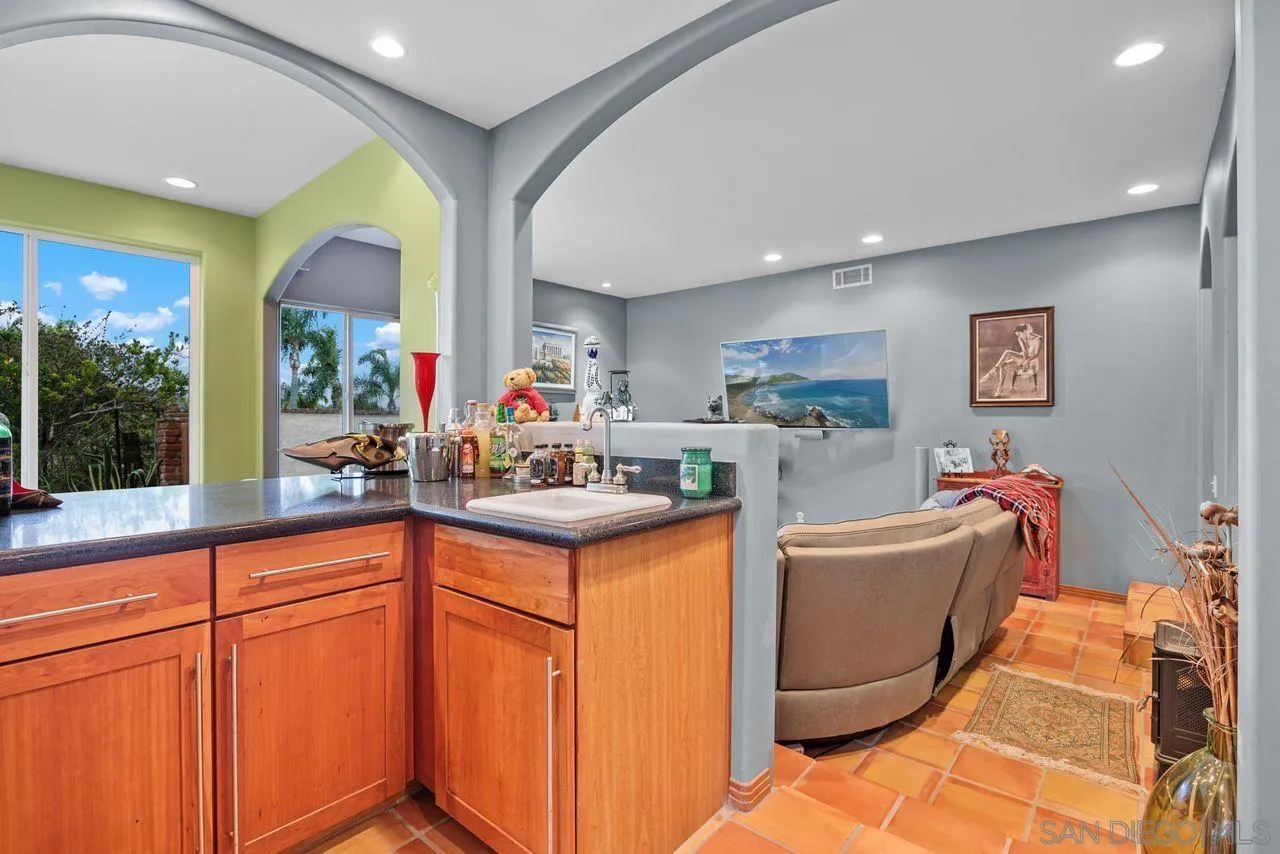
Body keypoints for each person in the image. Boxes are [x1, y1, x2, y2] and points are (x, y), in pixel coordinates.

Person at [981, 323, 1042, 397]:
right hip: (1023, 357)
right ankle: (1000, 387)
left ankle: (992, 372)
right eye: (1018, 335)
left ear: (1025, 331)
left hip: (1032, 360)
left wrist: (1027, 361)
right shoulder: (1021, 338)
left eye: (1019, 334)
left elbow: (1036, 354)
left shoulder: (1038, 339)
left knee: (1007, 353)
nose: (1019, 336)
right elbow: (1025, 351)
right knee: (1003, 365)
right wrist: (1024, 360)